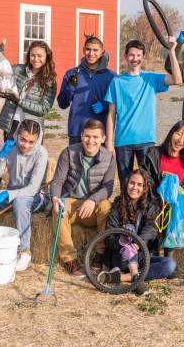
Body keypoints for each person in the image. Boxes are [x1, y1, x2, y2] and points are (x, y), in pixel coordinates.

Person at [0, 119, 49, 271]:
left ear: (37, 140)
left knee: (21, 201)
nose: (26, 145)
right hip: (11, 194)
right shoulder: (10, 148)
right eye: (23, 139)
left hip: (36, 197)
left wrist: (6, 194)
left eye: (31, 142)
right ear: (17, 134)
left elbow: (32, 189)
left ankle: (24, 251)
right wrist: (1, 156)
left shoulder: (41, 153)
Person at [104, 38, 183, 186]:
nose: (135, 59)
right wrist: (109, 142)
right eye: (132, 55)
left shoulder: (151, 78)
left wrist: (171, 51)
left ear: (143, 57)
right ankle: (126, 209)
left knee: (147, 183)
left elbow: (178, 79)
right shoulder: (117, 82)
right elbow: (111, 115)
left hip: (146, 140)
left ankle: (146, 209)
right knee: (125, 184)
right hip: (123, 141)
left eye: (138, 55)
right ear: (126, 56)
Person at [50, 119, 115, 277]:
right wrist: (55, 198)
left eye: (95, 137)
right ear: (81, 135)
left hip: (92, 206)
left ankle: (100, 254)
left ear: (103, 139)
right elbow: (57, 181)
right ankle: (69, 260)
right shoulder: (68, 152)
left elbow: (108, 188)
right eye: (87, 136)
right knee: (58, 209)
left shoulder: (109, 158)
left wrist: (93, 200)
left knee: (106, 206)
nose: (90, 141)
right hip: (71, 202)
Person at [98, 169, 176, 294]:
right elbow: (109, 235)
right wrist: (123, 245)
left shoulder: (152, 206)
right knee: (130, 229)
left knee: (169, 265)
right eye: (132, 183)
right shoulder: (118, 205)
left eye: (140, 185)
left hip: (142, 256)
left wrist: (136, 244)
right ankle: (136, 278)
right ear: (127, 184)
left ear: (145, 188)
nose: (135, 187)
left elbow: (151, 229)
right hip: (121, 257)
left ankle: (119, 277)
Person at [141, 120, 184, 278]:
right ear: (171, 133)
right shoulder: (154, 153)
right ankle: (165, 260)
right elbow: (145, 179)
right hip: (156, 201)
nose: (181, 139)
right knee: (159, 213)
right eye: (178, 133)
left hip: (179, 204)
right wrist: (162, 191)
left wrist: (178, 193)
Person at [57, 36, 117, 145]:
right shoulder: (72, 74)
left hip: (100, 133)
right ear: (83, 50)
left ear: (102, 52)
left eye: (95, 50)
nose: (91, 53)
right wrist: (70, 88)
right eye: (88, 49)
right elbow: (62, 104)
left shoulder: (112, 77)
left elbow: (119, 106)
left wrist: (104, 106)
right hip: (77, 132)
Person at [0, 40, 57, 140]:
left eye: (40, 56)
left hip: (32, 127)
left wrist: (19, 101)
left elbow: (44, 109)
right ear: (28, 56)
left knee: (27, 155)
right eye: (33, 55)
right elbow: (0, 87)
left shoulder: (49, 81)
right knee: (8, 154)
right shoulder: (16, 69)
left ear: (47, 57)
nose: (36, 59)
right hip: (11, 122)